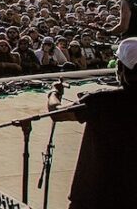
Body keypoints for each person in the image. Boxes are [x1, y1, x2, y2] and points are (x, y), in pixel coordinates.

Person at [46, 37, 137, 209]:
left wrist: (54, 92)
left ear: (121, 68)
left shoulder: (102, 101)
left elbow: (56, 113)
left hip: (96, 191)